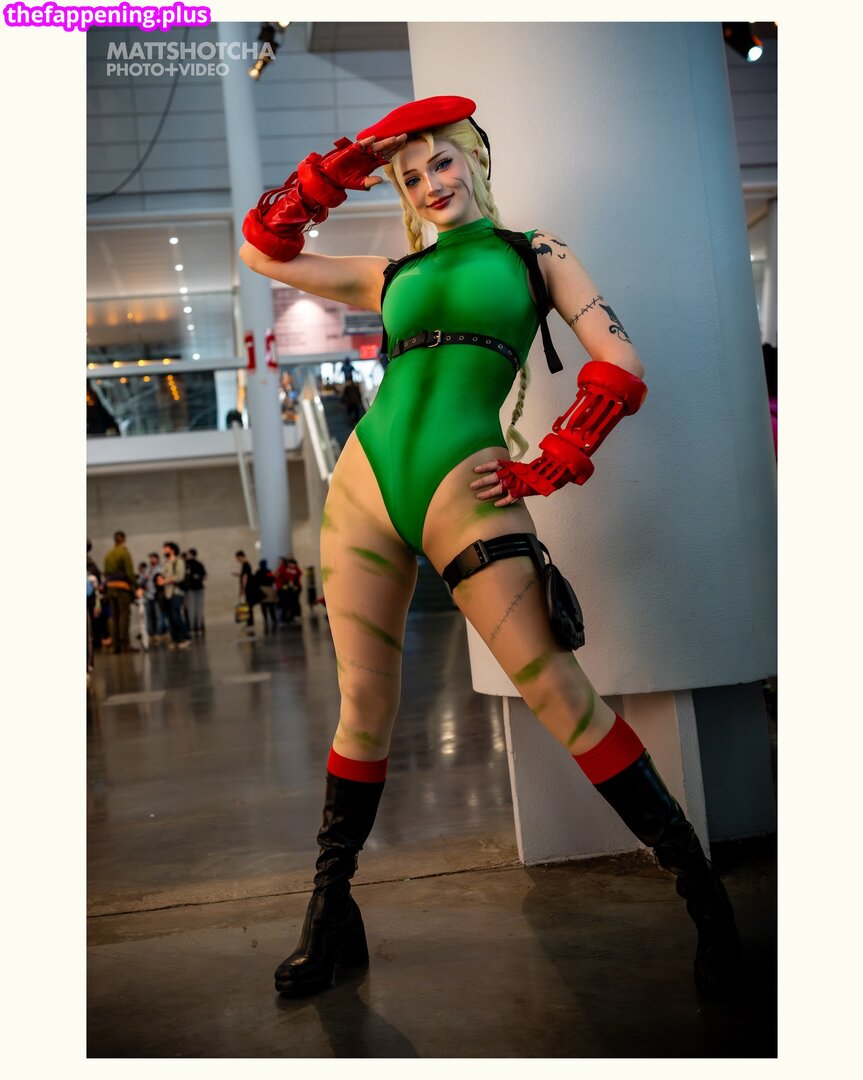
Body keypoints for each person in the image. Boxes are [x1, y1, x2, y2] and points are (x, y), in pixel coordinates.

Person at [239, 96, 740, 999]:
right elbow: (262, 252)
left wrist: (554, 458)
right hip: (362, 487)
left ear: (474, 158)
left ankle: (706, 898)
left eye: (442, 161)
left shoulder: (534, 253)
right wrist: (340, 170)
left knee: (558, 691)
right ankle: (331, 909)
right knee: (362, 706)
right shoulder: (391, 273)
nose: (431, 183)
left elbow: (620, 361)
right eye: (409, 176)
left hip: (465, 489)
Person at [103, 530, 137, 654]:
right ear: (124, 539)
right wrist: (135, 586)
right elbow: (129, 573)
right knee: (124, 616)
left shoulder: (108, 554)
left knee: (114, 616)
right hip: (122, 588)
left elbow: (106, 573)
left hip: (110, 588)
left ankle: (115, 645)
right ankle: (125, 644)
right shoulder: (124, 553)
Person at [161, 541, 190, 649]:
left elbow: (180, 577)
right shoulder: (166, 562)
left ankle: (185, 638)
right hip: (167, 593)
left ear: (172, 550)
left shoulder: (179, 561)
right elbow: (163, 574)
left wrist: (166, 580)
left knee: (176, 615)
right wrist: (160, 579)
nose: (164, 550)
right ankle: (175, 639)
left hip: (177, 592)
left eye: (166, 548)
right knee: (170, 617)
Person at [183, 547, 207, 636]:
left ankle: (193, 628)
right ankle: (198, 627)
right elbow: (204, 576)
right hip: (198, 588)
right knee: (198, 609)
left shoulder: (187, 564)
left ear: (191, 554)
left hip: (192, 589)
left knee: (192, 609)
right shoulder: (199, 564)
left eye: (188, 554)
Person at [275, 556, 303, 624]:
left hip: (292, 588)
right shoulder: (284, 568)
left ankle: (292, 616)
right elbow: (278, 576)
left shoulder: (291, 569)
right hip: (285, 588)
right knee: (288, 603)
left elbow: (296, 575)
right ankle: (287, 617)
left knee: (292, 602)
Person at [254, 559, 279, 632]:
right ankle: (273, 619)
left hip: (261, 590)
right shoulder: (268, 571)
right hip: (269, 589)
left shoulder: (258, 572)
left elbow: (255, 581)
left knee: (263, 606)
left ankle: (265, 619)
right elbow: (272, 579)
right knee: (271, 606)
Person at [235, 550, 256, 634]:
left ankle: (250, 624)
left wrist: (242, 589)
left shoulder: (246, 565)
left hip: (248, 588)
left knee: (249, 606)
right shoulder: (246, 565)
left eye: (237, 558)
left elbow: (245, 577)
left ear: (240, 557)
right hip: (249, 588)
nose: (237, 560)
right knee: (248, 606)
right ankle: (249, 623)